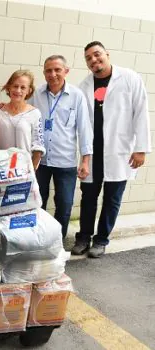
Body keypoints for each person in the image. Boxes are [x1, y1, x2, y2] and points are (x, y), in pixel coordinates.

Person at [72, 41, 151, 258]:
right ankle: (83, 237)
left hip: (120, 151)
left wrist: (141, 148)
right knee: (88, 197)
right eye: (89, 58)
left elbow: (141, 112)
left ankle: (101, 240)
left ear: (107, 54)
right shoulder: (84, 86)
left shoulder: (129, 78)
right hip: (92, 152)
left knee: (112, 199)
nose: (94, 60)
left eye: (97, 55)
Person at [29, 55, 93, 239]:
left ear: (66, 71)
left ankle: (57, 243)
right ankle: (37, 241)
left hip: (66, 162)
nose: (53, 74)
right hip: (39, 161)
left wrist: (85, 161)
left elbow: (84, 129)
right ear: (44, 73)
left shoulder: (76, 96)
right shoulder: (36, 94)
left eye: (57, 69)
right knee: (36, 203)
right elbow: (23, 112)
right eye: (48, 70)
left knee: (64, 206)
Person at [0, 70, 45, 170]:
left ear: (29, 90)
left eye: (23, 87)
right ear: (9, 87)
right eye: (15, 86)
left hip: (23, 171)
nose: (18, 90)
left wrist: (31, 170)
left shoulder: (35, 114)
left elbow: (38, 146)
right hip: (1, 170)